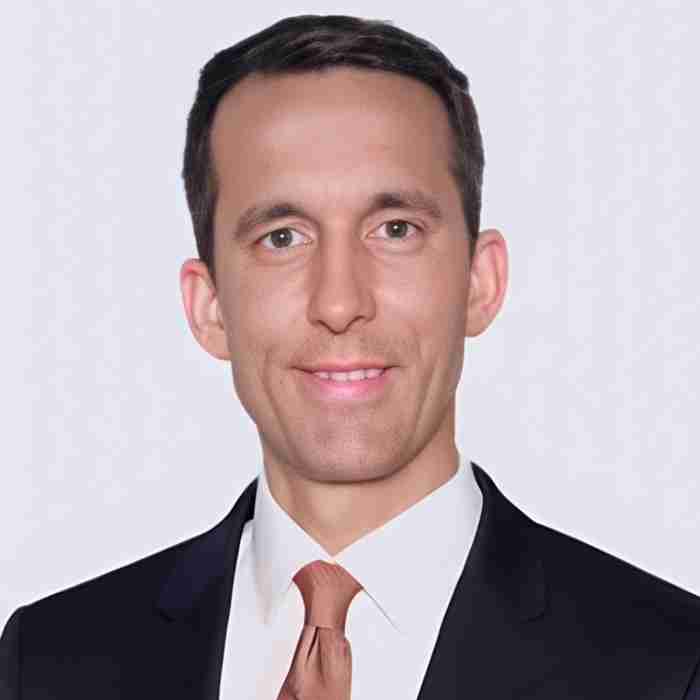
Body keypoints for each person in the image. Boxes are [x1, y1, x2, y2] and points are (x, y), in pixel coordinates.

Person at [2, 13, 699, 699]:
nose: (339, 303)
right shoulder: (48, 664)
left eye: (395, 229)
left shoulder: (672, 666)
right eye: (282, 237)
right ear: (208, 306)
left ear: (479, 283)